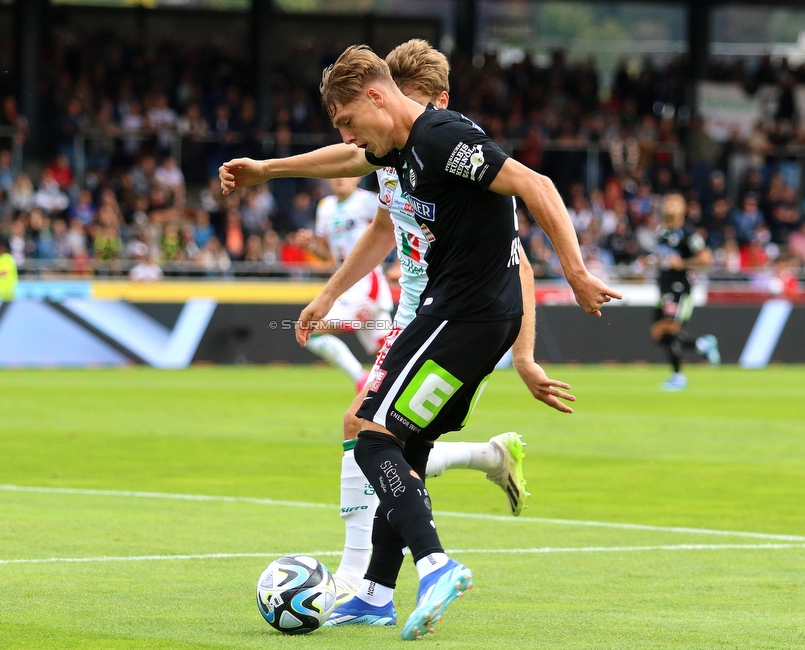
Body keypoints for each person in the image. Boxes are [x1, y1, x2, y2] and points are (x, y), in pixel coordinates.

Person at [221, 45, 619, 640]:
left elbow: (535, 185)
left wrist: (577, 272)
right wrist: (267, 170)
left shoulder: (439, 139)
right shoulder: (401, 151)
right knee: (404, 449)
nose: (352, 138)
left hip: (457, 314)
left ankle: (435, 565)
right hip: (472, 316)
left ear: (381, 98)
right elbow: (348, 163)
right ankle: (378, 592)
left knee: (370, 437)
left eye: (350, 121)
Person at [308, 176, 393, 390]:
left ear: (358, 176)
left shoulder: (368, 201)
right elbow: (326, 253)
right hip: (347, 284)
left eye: (346, 173)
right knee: (389, 356)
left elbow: (399, 225)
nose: (339, 178)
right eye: (335, 173)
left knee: (311, 329)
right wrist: (309, 244)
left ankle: (361, 379)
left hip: (367, 281)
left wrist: (400, 262)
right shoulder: (325, 207)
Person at [651, 193, 720, 391]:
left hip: (679, 288)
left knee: (670, 330)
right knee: (658, 333)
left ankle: (678, 376)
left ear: (683, 209)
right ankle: (701, 345)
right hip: (664, 288)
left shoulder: (688, 234)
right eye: (668, 202)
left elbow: (706, 259)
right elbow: (662, 256)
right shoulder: (662, 232)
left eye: (675, 202)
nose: (670, 206)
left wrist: (683, 263)